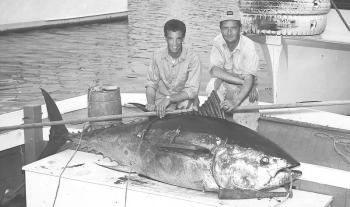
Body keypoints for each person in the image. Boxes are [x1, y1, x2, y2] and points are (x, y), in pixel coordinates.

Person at [205, 6, 260, 131]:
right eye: (225, 28)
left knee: (248, 130)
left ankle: (242, 123)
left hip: (246, 88)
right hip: (234, 82)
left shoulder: (248, 46)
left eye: (233, 28)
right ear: (220, 29)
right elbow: (215, 70)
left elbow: (249, 78)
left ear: (240, 29)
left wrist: (236, 100)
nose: (229, 32)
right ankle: (217, 122)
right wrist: (242, 81)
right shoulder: (217, 42)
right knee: (211, 86)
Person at [145, 19, 201, 118]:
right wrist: (151, 104)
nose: (174, 44)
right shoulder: (157, 55)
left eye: (178, 39)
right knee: (157, 114)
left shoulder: (193, 58)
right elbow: (151, 84)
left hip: (183, 98)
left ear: (183, 38)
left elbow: (192, 90)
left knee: (189, 109)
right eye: (171, 38)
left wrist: (170, 99)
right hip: (162, 98)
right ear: (166, 38)